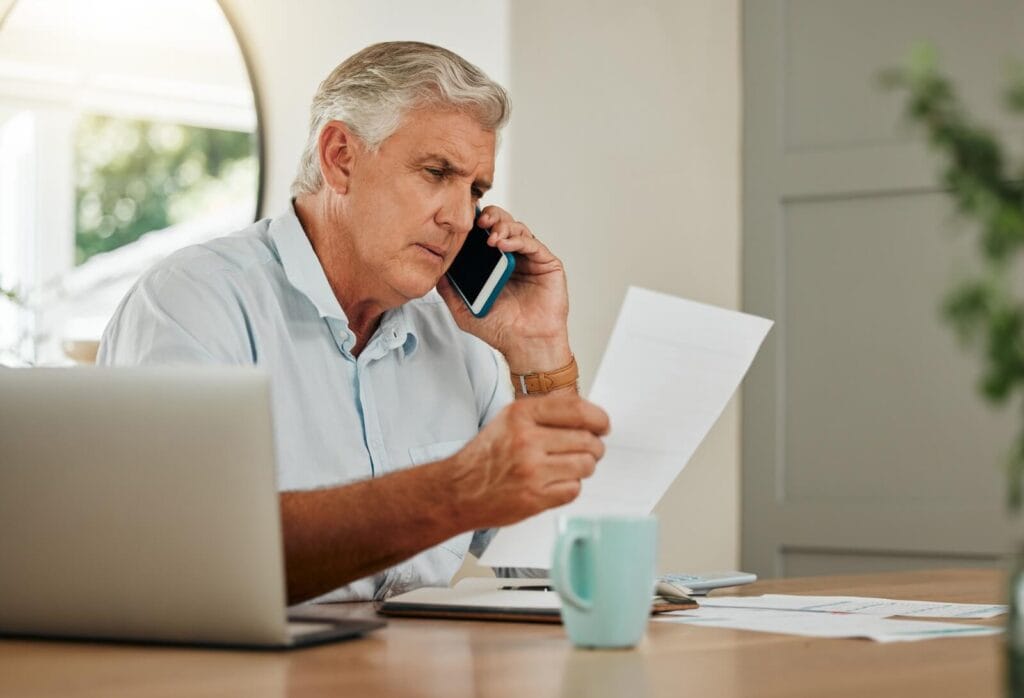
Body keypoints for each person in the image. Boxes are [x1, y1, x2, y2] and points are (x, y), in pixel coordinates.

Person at [98, 41, 610, 604]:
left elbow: (560, 567)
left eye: (475, 190)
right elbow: (186, 555)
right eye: (436, 172)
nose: (460, 218)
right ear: (340, 157)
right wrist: (456, 489)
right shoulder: (194, 303)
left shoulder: (456, 337)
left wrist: (537, 350)